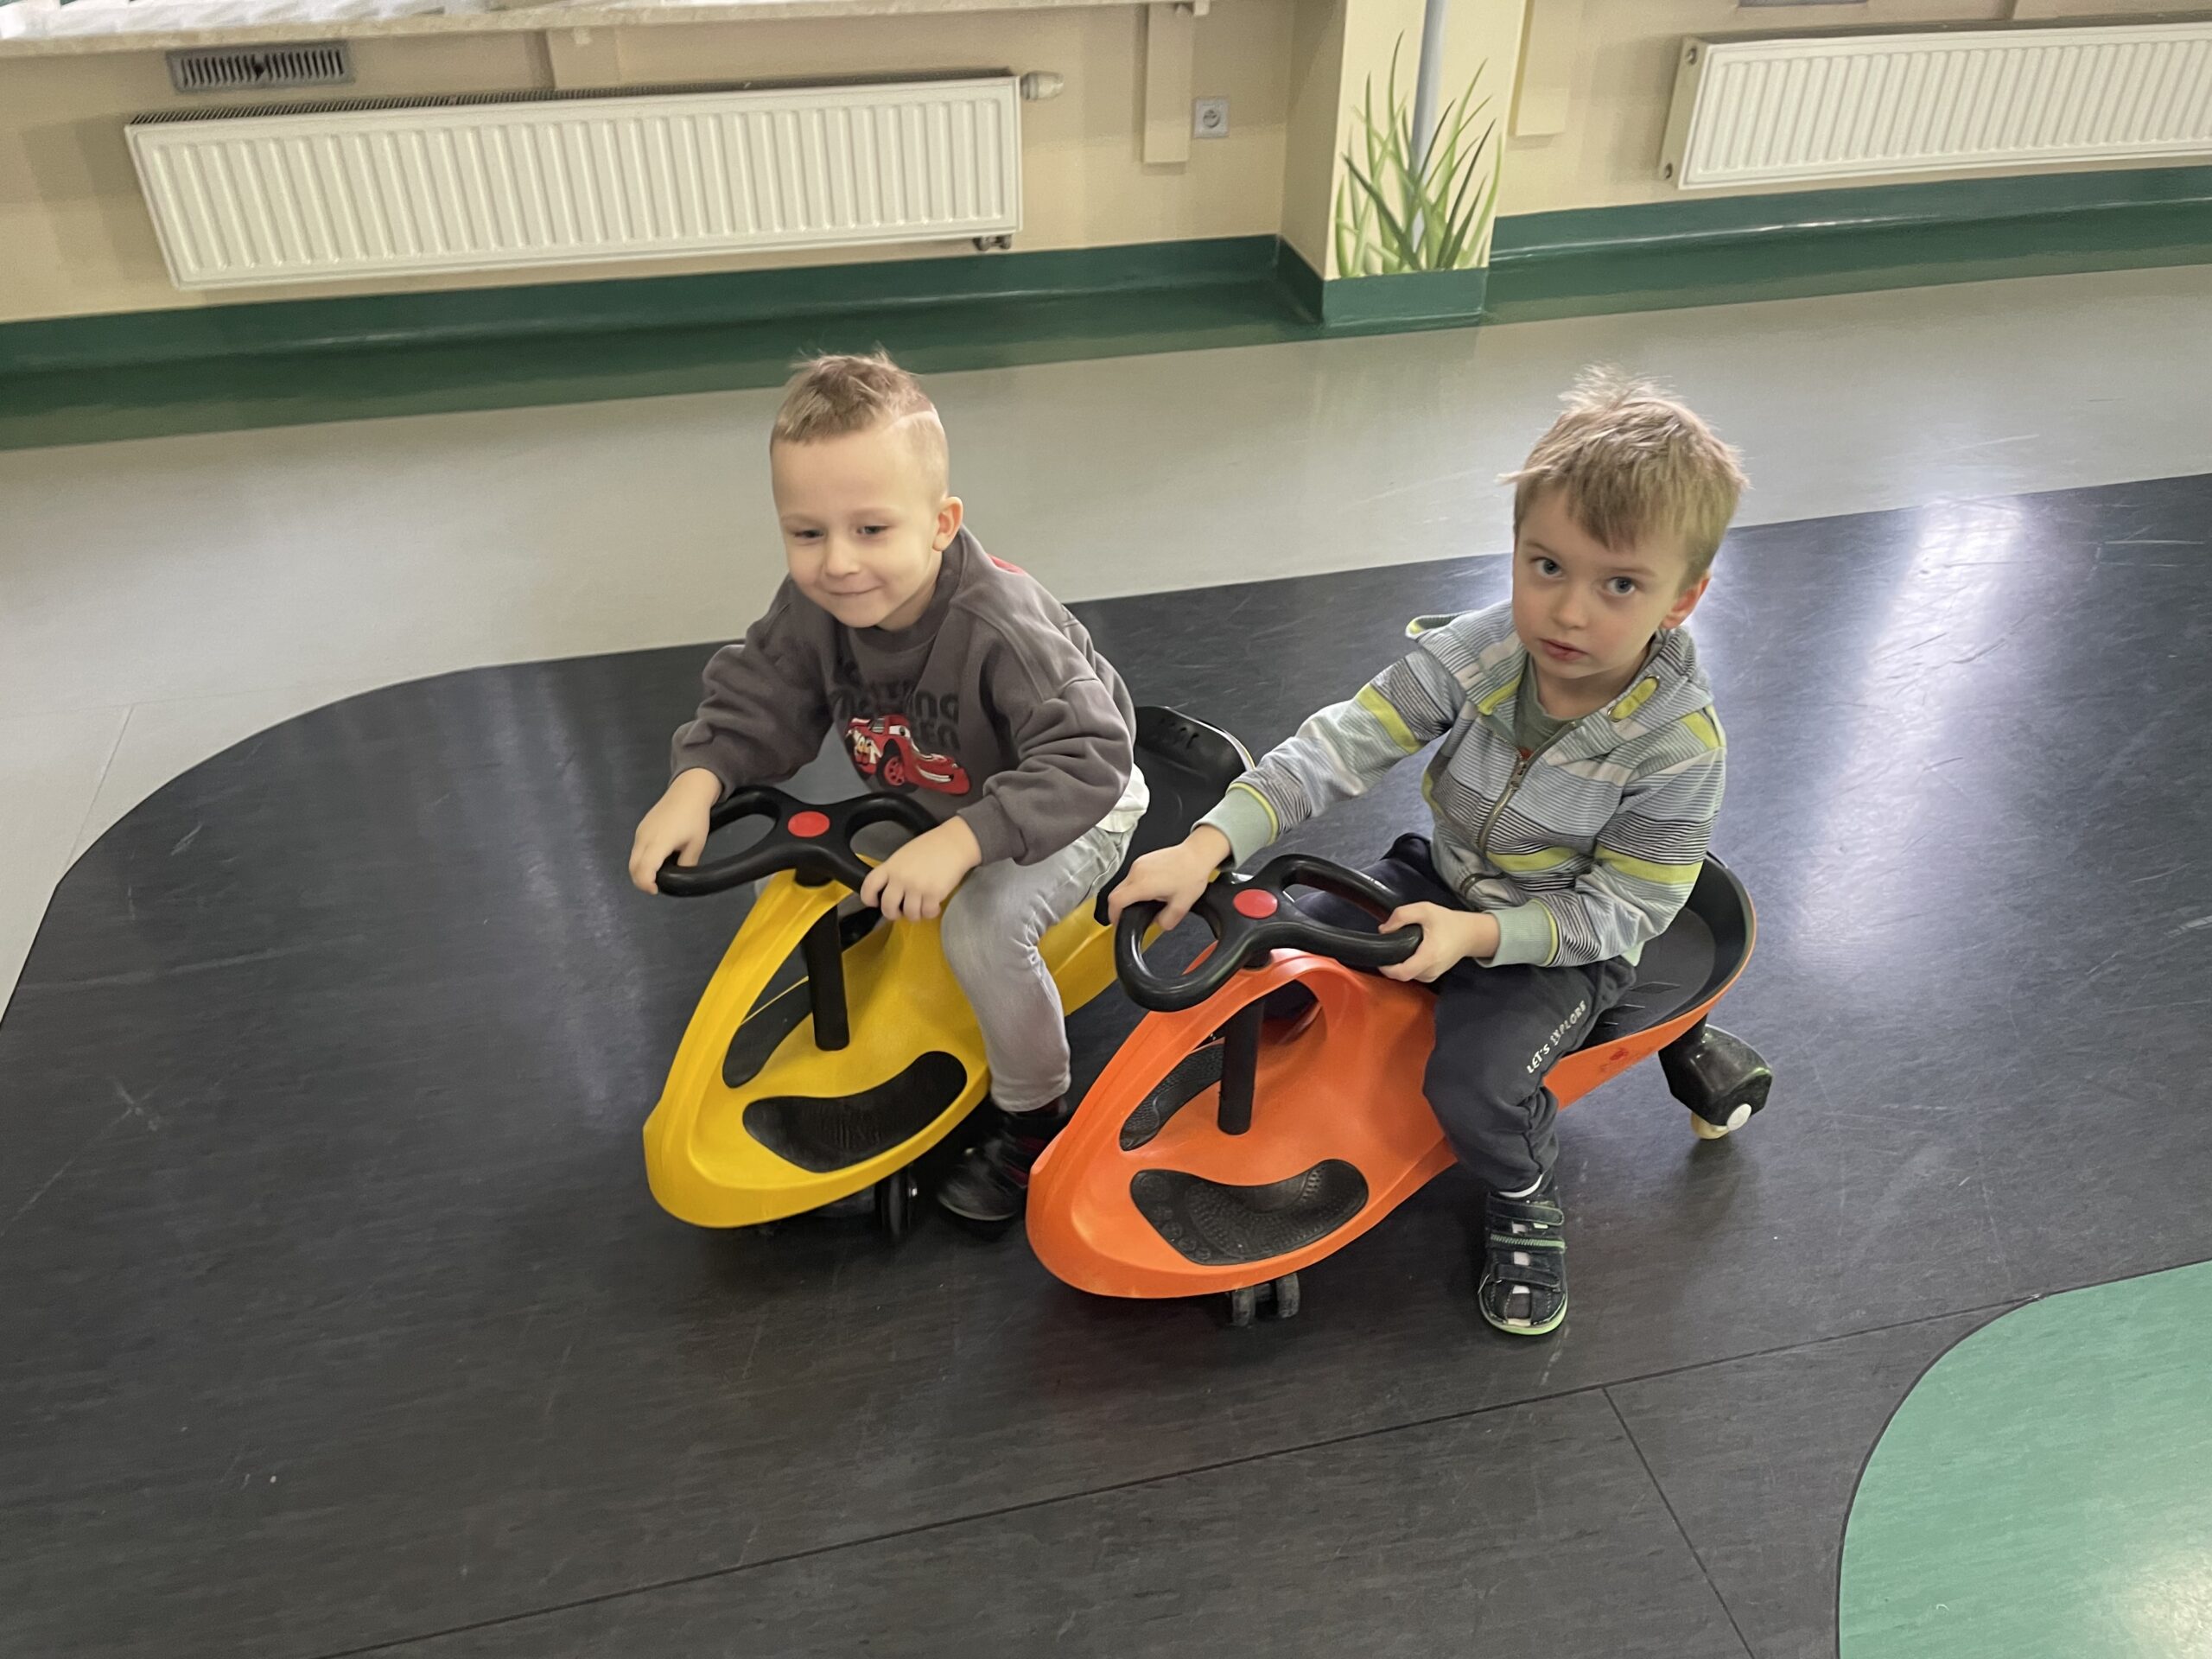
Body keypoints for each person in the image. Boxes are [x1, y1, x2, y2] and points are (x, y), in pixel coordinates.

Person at [1110, 371, 1744, 1336]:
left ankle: (1524, 1198)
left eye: (1618, 585)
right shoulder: (1485, 650)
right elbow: (1347, 740)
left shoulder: (1678, 748)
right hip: (1439, 878)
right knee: (1274, 961)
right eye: (1545, 566)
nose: (1568, 613)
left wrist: (1481, 936)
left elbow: (1629, 910)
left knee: (1474, 1083)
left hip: (1560, 943)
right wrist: (1209, 842)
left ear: (1683, 598)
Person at [629, 352, 1147, 1224]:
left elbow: (1090, 754)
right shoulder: (818, 610)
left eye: (871, 529)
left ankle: (1033, 1117)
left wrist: (964, 841)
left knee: (984, 929)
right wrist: (700, 779)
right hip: (937, 803)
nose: (838, 564)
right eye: (807, 534)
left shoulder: (998, 625)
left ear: (941, 524)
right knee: (791, 878)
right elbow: (759, 693)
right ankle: (871, 986)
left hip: (1071, 802)